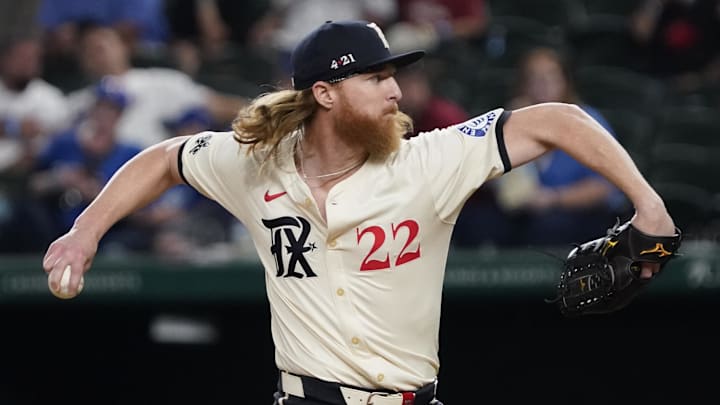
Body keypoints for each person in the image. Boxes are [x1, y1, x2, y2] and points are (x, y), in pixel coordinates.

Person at [42, 20, 677, 405]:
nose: (396, 89)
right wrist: (84, 231)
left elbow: (559, 120)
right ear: (324, 93)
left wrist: (649, 208)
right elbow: (165, 158)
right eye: (375, 78)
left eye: (392, 75)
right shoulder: (254, 165)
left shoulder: (428, 160)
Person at [497, 46, 629, 246]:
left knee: (548, 228)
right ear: (523, 85)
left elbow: (604, 187)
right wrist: (512, 124)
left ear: (565, 82)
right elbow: (501, 180)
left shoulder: (588, 122)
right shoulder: (514, 120)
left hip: (582, 213)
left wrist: (553, 199)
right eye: (534, 78)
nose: (542, 85)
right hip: (526, 212)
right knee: (480, 224)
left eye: (550, 77)